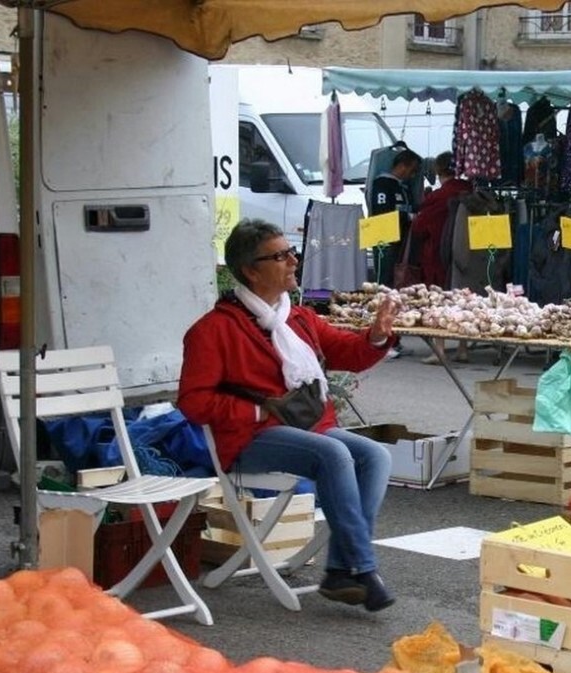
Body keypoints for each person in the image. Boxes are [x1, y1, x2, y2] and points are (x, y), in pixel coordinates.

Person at [178, 219, 401, 612]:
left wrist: (377, 335)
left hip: (307, 427)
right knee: (332, 455)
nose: (293, 261)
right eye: (280, 256)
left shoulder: (297, 318)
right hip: (249, 439)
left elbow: (348, 352)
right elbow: (194, 403)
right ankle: (362, 570)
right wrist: (257, 407)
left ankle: (337, 571)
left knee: (376, 456)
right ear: (250, 270)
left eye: (291, 252)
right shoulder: (212, 330)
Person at [408, 150, 473, 364]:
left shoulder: (438, 197)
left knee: (440, 299)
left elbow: (419, 227)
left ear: (438, 170)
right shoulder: (471, 191)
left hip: (438, 254)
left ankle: (440, 349)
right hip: (467, 253)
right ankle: (463, 348)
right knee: (464, 298)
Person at [368, 147, 422, 290]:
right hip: (385, 239)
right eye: (413, 169)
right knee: (385, 280)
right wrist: (410, 217)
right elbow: (382, 212)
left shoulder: (404, 187)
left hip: (401, 239)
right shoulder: (382, 184)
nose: (413, 175)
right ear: (403, 165)